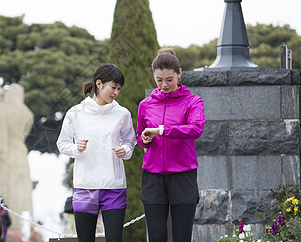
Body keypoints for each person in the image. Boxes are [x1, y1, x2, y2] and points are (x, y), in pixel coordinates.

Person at [57, 63, 137, 242]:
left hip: (114, 187)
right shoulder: (76, 113)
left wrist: (124, 150)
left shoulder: (122, 114)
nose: (116, 92)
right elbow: (62, 144)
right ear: (99, 84)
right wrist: (75, 148)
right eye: (113, 87)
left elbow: (131, 141)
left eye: (119, 89)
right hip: (85, 185)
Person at [136, 48, 205, 242]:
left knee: (182, 237)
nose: (164, 84)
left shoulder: (193, 102)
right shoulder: (145, 105)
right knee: (156, 237)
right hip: (152, 177)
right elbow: (139, 135)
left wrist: (162, 130)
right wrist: (145, 140)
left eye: (169, 79)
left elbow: (195, 129)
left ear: (179, 74)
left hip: (183, 176)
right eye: (159, 80)